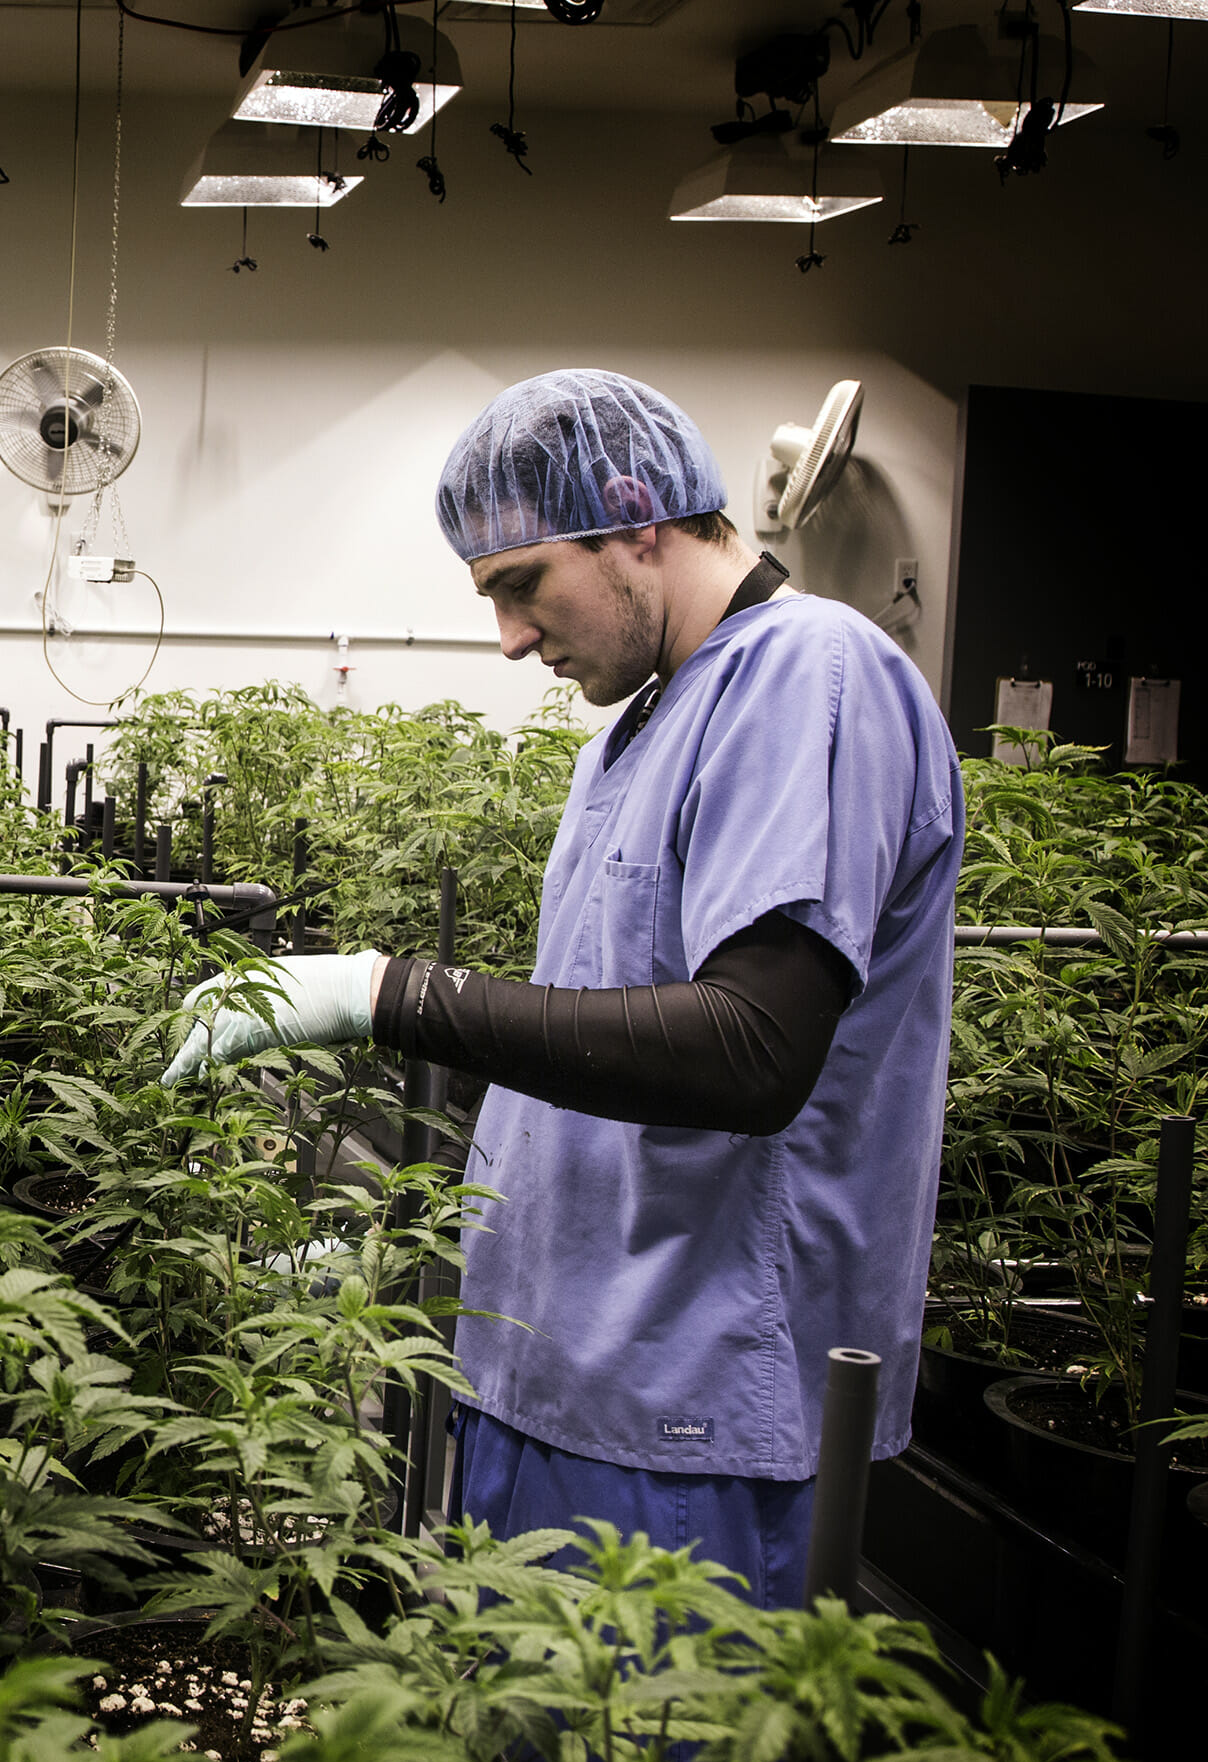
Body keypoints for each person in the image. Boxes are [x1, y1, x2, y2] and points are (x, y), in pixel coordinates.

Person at [162, 369, 966, 1621]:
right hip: (549, 1371)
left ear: (637, 518)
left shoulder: (812, 675)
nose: (512, 637)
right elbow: (599, 1040)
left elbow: (748, 1049)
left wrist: (394, 993)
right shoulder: (636, 731)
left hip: (687, 1408)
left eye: (520, 584)